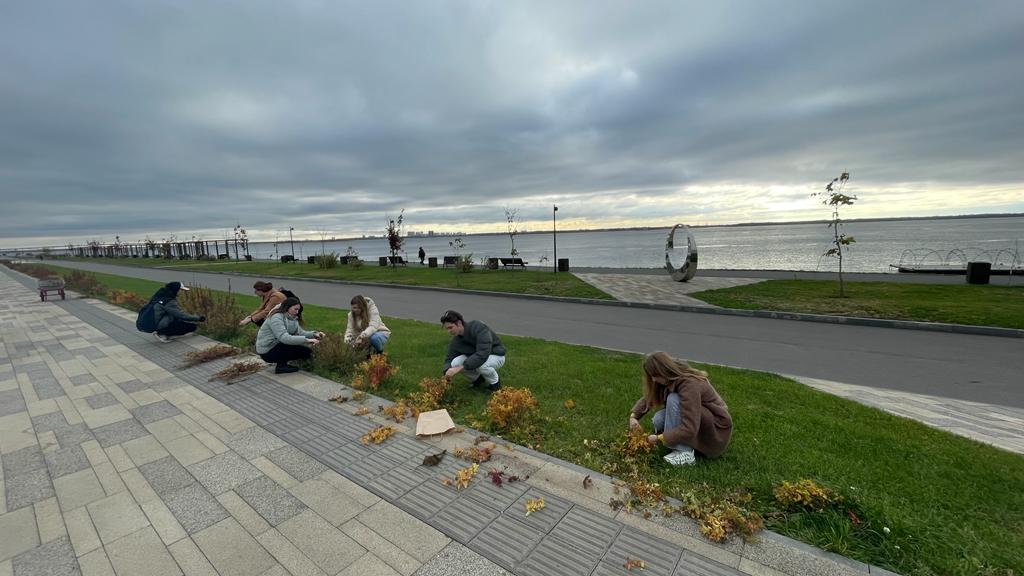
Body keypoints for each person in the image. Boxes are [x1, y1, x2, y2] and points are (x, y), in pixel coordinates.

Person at [628, 351, 733, 466]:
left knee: (673, 399)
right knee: (658, 420)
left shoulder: (689, 384)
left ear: (664, 371)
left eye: (655, 375)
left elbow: (690, 427)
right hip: (699, 421)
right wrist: (634, 417)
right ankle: (681, 444)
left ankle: (684, 452)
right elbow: (649, 397)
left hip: (715, 431)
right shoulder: (667, 379)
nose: (653, 379)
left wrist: (660, 438)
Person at [440, 309, 505, 392]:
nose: (449, 331)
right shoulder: (456, 340)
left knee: (482, 366)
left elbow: (482, 353)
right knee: (455, 363)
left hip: (496, 355)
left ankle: (495, 384)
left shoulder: (478, 327)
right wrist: (447, 373)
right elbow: (449, 358)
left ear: (459, 323)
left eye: (450, 327)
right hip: (477, 357)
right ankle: (478, 379)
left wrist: (461, 367)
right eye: (447, 329)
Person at [256, 297, 324, 374]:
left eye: (298, 309)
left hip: (277, 346)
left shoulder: (292, 317)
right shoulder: (276, 317)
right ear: (287, 307)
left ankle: (283, 365)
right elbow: (284, 338)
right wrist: (307, 340)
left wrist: (314, 334)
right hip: (267, 351)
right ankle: (281, 367)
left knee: (307, 352)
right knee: (296, 348)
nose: (297, 312)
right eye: (295, 309)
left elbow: (300, 333)